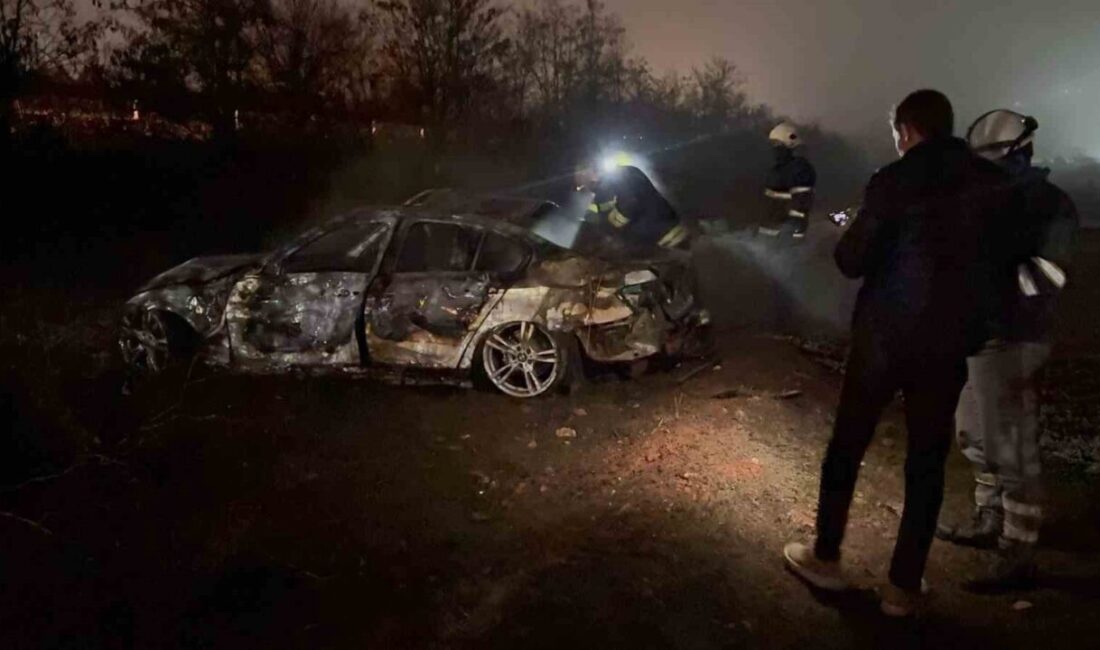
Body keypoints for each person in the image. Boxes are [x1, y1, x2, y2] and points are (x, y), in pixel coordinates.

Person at [781, 90, 1021, 617]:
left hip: (885, 337)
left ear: (907, 130)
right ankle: (903, 588)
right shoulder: (994, 185)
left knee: (848, 442)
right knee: (927, 460)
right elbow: (1002, 266)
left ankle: (825, 558)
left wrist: (851, 233)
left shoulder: (893, 181)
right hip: (949, 344)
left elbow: (852, 260)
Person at [935, 109, 1079, 592]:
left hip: (1017, 338)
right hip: (982, 336)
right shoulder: (992, 200)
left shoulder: (1048, 205)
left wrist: (982, 286)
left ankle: (1019, 552)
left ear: (1017, 154)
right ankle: (989, 519)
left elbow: (1048, 277)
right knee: (975, 434)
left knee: (1011, 446)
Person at [575, 157, 687, 255]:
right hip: (660, 237)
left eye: (581, 179)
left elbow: (629, 205)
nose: (582, 185)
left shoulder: (619, 177)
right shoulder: (606, 188)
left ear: (588, 173)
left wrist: (612, 228)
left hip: (663, 237)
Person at [757, 122, 817, 240]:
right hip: (768, 235)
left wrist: (790, 232)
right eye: (773, 143)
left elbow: (801, 205)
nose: (774, 147)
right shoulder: (777, 170)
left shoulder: (800, 169)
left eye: (778, 143)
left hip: (785, 238)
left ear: (790, 143)